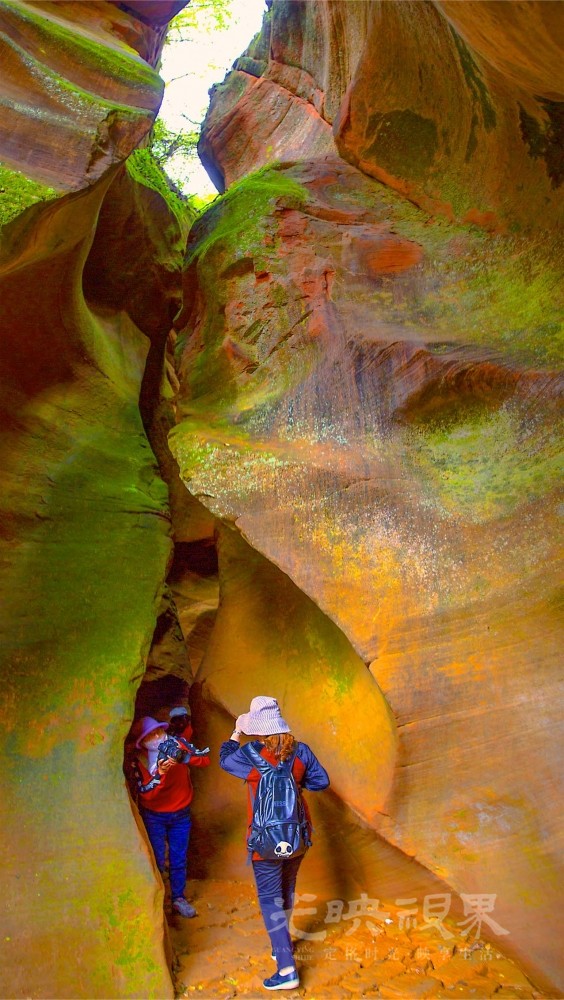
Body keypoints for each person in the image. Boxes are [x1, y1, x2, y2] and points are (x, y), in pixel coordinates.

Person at [220, 696, 329, 992]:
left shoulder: (249, 754)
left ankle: (286, 968)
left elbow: (224, 759)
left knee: (270, 898)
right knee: (286, 889)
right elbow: (322, 781)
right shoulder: (300, 751)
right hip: (297, 836)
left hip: (264, 840)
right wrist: (296, 784)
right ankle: (282, 945)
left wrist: (236, 732)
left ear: (257, 728)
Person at [131, 716, 210, 918]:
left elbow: (204, 760)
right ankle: (159, 903)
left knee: (178, 859)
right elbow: (147, 793)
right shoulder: (139, 761)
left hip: (181, 814)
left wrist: (183, 756)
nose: (157, 737)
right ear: (142, 742)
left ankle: (178, 899)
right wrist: (161, 773)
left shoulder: (177, 744)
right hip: (154, 816)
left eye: (158, 731)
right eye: (150, 735)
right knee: (156, 861)